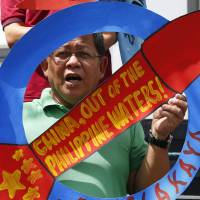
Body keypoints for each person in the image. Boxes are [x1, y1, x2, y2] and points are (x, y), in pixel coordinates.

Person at [23, 34, 187, 198]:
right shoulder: (17, 120)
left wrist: (159, 138)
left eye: (84, 54)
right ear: (45, 65)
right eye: (62, 54)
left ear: (102, 67)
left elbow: (149, 193)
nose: (73, 62)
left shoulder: (123, 119)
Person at [1, 0, 115, 102]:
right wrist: (62, 34)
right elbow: (13, 35)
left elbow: (111, 33)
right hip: (38, 93)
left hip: (96, 95)